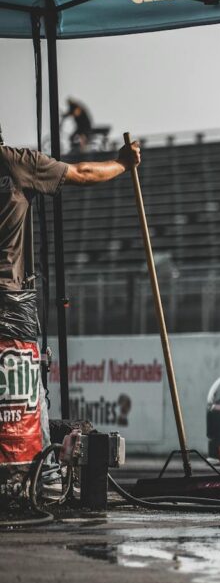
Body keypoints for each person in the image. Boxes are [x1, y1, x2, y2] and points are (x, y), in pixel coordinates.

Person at [0, 123, 141, 485]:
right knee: (21, 394)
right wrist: (123, 164)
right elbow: (82, 173)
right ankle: (36, 477)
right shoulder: (15, 163)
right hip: (9, 296)